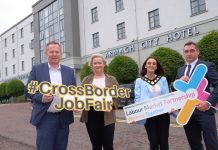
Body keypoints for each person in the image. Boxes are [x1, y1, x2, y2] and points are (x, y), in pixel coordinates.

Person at [25, 41, 76, 150]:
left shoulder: (69, 71)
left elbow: (74, 92)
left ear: (60, 53)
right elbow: (29, 90)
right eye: (51, 51)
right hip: (45, 117)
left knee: (61, 147)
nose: (54, 54)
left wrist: (75, 103)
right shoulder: (37, 69)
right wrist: (41, 97)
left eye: (57, 51)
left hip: (64, 117)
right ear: (46, 54)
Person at [174, 41, 218, 150]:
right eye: (186, 51)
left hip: (204, 111)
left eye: (192, 51)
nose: (189, 54)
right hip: (187, 112)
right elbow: (174, 90)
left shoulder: (206, 66)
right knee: (194, 144)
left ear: (197, 52)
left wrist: (208, 102)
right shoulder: (180, 70)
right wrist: (179, 81)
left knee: (212, 144)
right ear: (184, 54)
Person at [80, 53, 119, 150]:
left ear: (104, 64)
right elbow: (80, 95)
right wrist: (77, 104)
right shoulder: (86, 80)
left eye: (99, 63)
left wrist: (111, 106)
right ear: (91, 65)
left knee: (108, 145)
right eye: (95, 63)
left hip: (107, 115)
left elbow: (117, 97)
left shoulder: (112, 79)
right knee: (96, 145)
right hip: (91, 115)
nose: (97, 65)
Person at [134, 56, 170, 150]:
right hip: (148, 114)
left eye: (154, 63)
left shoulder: (162, 79)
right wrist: (135, 114)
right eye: (149, 63)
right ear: (145, 66)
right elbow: (137, 98)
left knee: (164, 141)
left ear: (156, 67)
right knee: (153, 141)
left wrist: (171, 107)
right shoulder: (139, 81)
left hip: (162, 114)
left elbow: (167, 96)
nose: (151, 65)